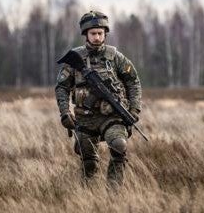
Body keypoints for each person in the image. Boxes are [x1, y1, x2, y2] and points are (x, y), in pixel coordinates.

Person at [55, 10, 142, 187]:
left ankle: (114, 194)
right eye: (93, 33)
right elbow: (62, 88)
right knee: (89, 164)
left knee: (119, 145)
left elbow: (133, 82)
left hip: (112, 117)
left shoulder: (115, 57)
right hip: (85, 119)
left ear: (105, 34)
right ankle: (89, 198)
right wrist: (65, 113)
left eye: (100, 33)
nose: (96, 37)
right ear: (86, 34)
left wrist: (134, 109)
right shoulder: (75, 59)